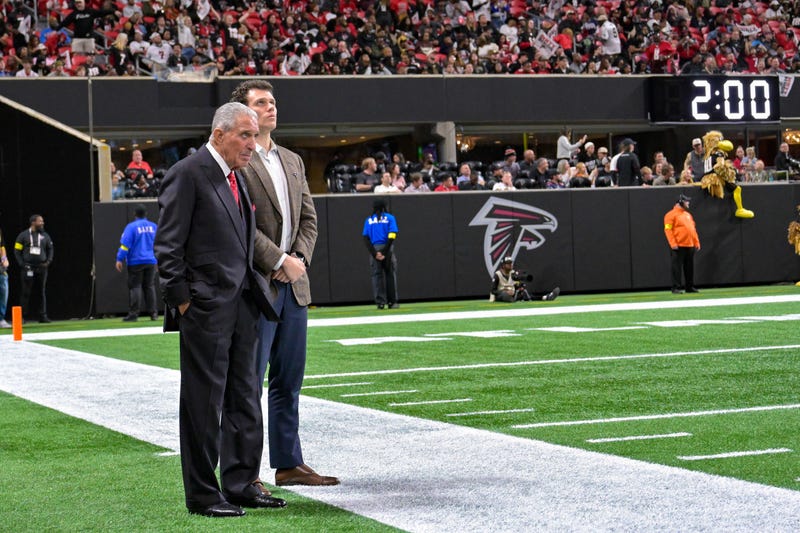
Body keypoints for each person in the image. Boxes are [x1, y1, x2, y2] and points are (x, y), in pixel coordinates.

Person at [154, 102, 285, 518]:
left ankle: (242, 482)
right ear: (218, 135)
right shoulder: (189, 173)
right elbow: (168, 246)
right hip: (206, 308)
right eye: (244, 135)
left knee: (245, 395)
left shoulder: (236, 176)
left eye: (254, 134)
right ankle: (203, 494)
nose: (252, 143)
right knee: (203, 403)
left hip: (243, 302)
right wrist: (184, 301)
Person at [229, 80, 338, 488]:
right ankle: (246, 471)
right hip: (258, 285)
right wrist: (277, 260)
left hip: (293, 286)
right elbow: (241, 222)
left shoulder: (291, 159)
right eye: (260, 102)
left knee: (288, 381)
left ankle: (289, 463)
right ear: (242, 112)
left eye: (272, 101)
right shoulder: (237, 158)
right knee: (248, 383)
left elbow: (309, 219)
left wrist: (299, 261)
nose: (270, 107)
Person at [115, 204, 158, 322]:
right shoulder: (154, 227)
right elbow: (159, 245)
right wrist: (158, 260)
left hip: (135, 261)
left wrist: (119, 259)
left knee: (136, 287)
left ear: (135, 214)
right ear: (146, 214)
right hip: (151, 260)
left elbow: (125, 245)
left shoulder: (131, 227)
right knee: (149, 286)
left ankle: (134, 314)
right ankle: (153, 313)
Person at [13, 215, 54, 323]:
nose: (42, 223)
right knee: (26, 292)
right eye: (40, 221)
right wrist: (22, 264)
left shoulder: (45, 236)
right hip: (28, 268)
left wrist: (48, 262)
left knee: (41, 291)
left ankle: (43, 316)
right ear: (33, 222)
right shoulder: (23, 235)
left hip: (42, 268)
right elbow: (17, 251)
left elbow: (50, 249)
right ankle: (21, 317)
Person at [363, 199, 399, 309]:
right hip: (387, 249)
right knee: (390, 275)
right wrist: (385, 251)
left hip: (374, 249)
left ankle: (380, 302)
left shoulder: (369, 220)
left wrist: (375, 254)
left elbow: (366, 238)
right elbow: (392, 235)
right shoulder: (390, 218)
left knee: (376, 276)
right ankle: (392, 302)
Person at [664, 194, 700, 294]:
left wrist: (696, 242)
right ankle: (675, 287)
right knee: (676, 268)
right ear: (680, 202)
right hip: (678, 246)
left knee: (689, 268)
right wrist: (673, 243)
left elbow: (693, 229)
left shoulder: (688, 215)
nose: (688, 202)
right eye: (686, 201)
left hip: (690, 245)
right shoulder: (670, 215)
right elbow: (668, 230)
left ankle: (689, 286)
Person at [490, 256, 559, 302]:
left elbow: (515, 285)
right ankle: (512, 298)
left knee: (526, 295)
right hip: (501, 295)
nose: (511, 265)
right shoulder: (497, 274)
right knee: (505, 295)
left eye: (511, 263)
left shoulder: (513, 273)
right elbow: (493, 291)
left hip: (512, 294)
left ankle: (546, 297)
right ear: (503, 265)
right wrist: (504, 292)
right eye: (508, 263)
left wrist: (519, 287)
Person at [0, 225, 9, 327]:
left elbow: (2, 246)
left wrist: (4, 258)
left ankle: (1, 319)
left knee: (3, 292)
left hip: (1, 267)